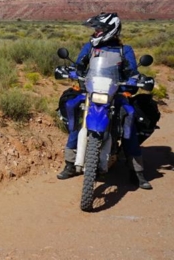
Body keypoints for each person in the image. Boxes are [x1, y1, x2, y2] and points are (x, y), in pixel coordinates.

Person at [57, 12, 152, 190]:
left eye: (99, 29)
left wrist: (136, 79)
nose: (96, 32)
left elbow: (131, 71)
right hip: (92, 91)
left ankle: (137, 171)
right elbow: (79, 65)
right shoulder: (90, 48)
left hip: (115, 93)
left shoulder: (125, 50)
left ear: (111, 30)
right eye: (96, 29)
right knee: (75, 114)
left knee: (129, 118)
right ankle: (70, 163)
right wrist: (71, 71)